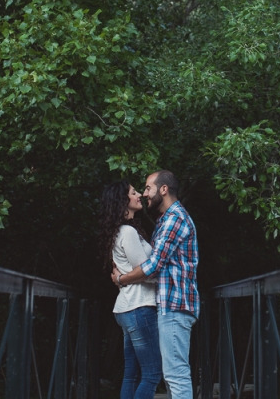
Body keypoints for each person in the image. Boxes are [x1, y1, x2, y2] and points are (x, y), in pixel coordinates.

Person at [113, 170, 199, 399]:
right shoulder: (164, 220)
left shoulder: (174, 219)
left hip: (175, 305)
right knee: (171, 375)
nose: (144, 193)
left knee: (175, 374)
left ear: (164, 189)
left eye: (148, 188)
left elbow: (153, 266)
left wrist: (121, 279)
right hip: (169, 305)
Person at [99, 179, 162, 399]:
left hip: (127, 309)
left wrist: (121, 279)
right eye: (133, 192)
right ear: (122, 200)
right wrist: (163, 278)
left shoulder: (119, 231)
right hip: (139, 308)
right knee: (152, 374)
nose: (139, 195)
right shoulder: (127, 232)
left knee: (131, 375)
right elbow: (146, 272)